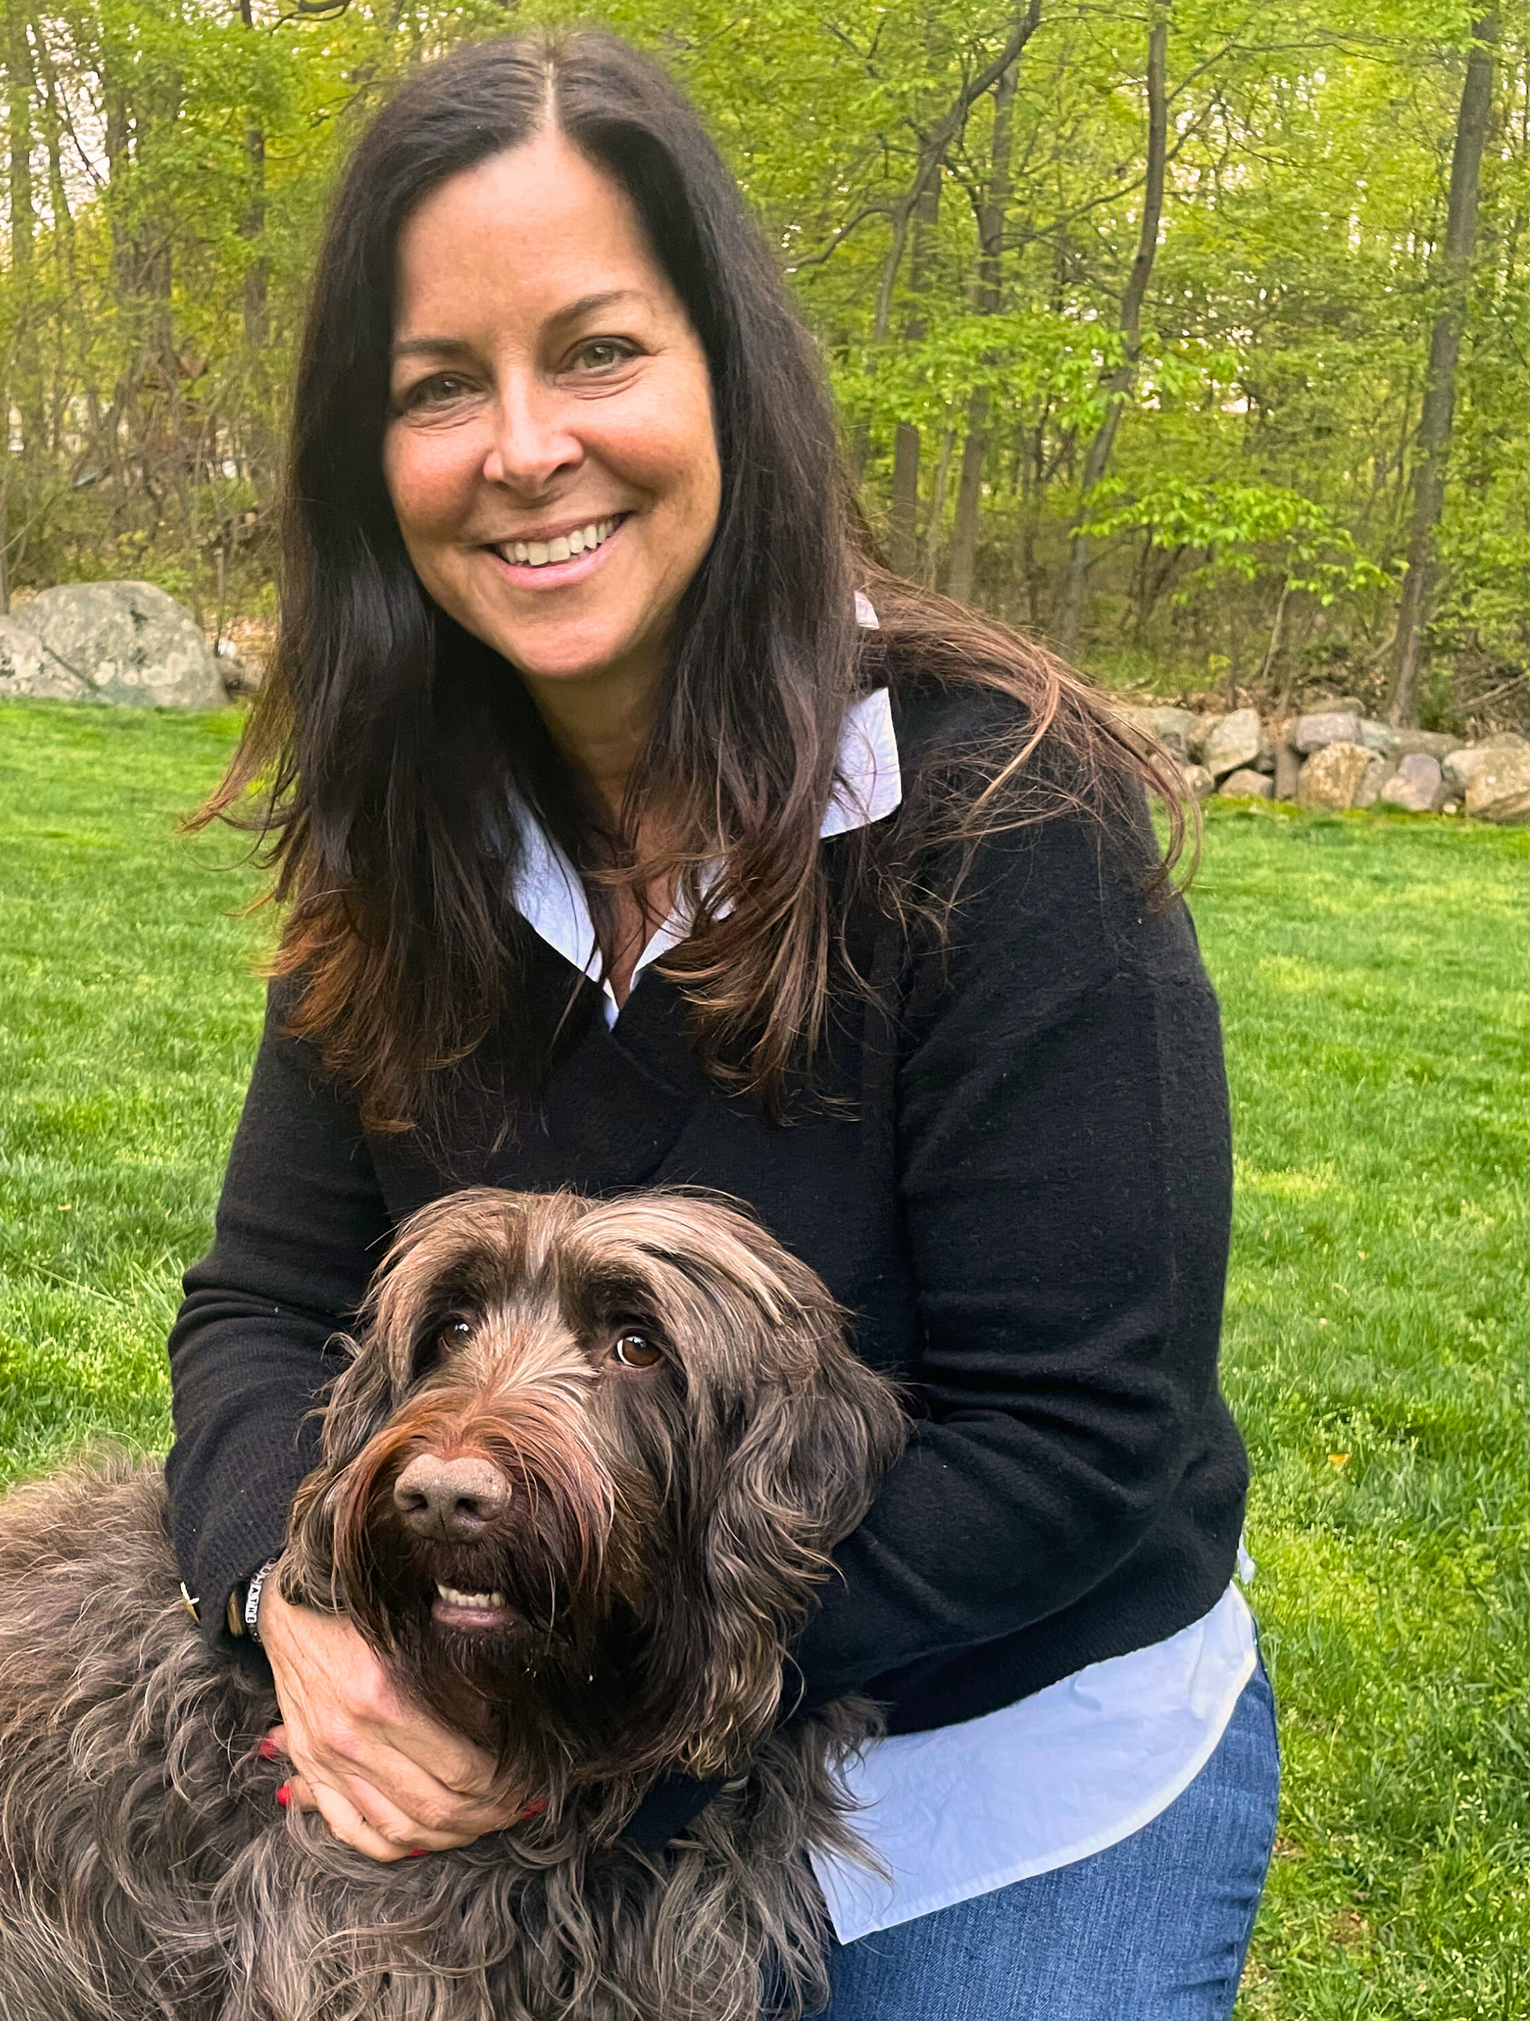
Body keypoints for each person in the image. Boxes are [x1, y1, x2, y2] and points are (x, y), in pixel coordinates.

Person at [165, 30, 1278, 2020]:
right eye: (439, 387)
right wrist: (289, 1596)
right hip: (530, 1741)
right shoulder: (397, 844)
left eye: (595, 352)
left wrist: (587, 1683)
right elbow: (259, 1306)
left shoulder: (998, 814)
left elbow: (1079, 1438)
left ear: (730, 386)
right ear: (370, 458)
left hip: (987, 1742)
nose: (522, 446)